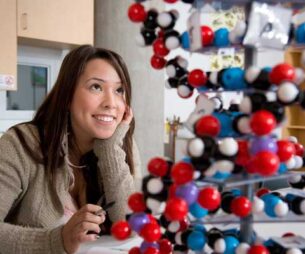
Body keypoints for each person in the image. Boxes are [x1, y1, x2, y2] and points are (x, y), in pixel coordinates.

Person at [0, 45, 141, 254]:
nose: (111, 103)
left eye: (119, 90)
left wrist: (110, 150)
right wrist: (58, 241)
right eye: (96, 87)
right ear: (67, 96)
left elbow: (130, 227)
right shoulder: (20, 144)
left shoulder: (121, 147)